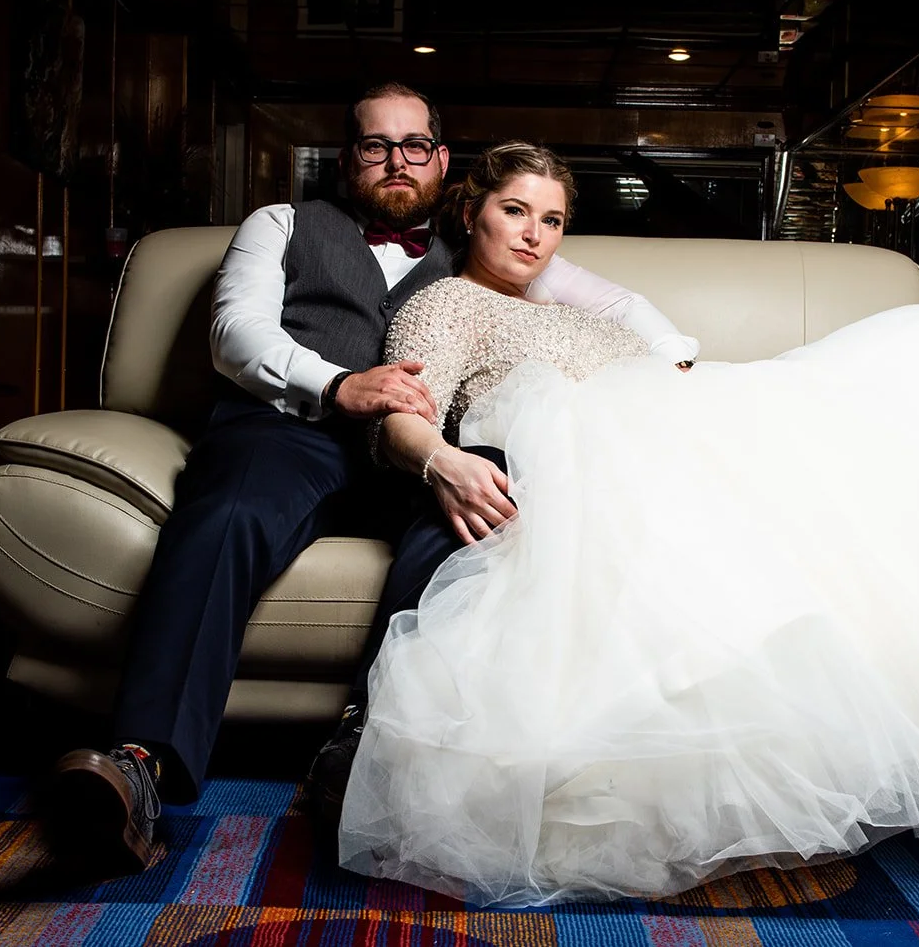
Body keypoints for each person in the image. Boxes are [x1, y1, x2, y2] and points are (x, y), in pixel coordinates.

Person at [336, 142, 919, 905]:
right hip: (590, 447)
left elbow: (653, 344)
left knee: (889, 392)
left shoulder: (578, 299)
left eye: (552, 219)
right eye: (516, 211)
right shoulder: (451, 303)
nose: (535, 235)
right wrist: (444, 459)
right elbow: (404, 411)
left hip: (680, 408)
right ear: (472, 210)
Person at [42, 86, 698, 874]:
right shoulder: (281, 225)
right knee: (231, 513)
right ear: (345, 156)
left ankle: (360, 754)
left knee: (467, 517)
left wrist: (674, 361)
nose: (396, 160)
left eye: (414, 144)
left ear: (441, 159)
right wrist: (336, 384)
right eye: (375, 145)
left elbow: (619, 306)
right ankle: (142, 766)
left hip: (416, 453)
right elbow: (235, 332)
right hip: (293, 431)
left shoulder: (480, 238)